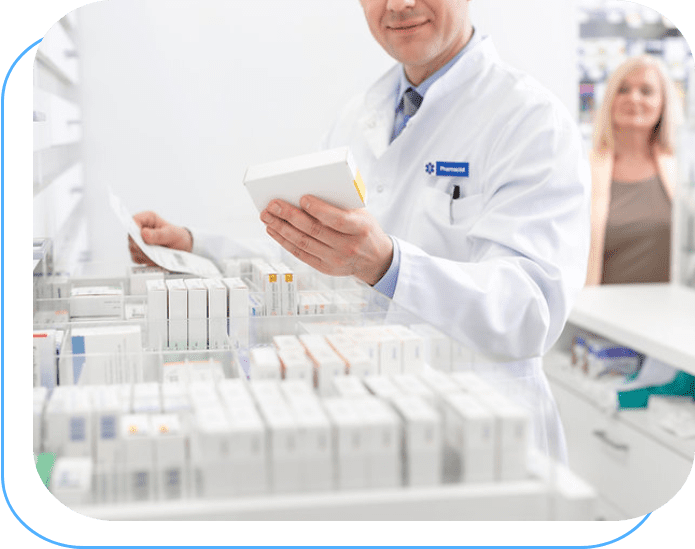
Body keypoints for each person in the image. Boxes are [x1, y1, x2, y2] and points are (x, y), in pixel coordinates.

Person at [131, 0, 591, 460]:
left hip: (486, 438)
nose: (399, 5)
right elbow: (313, 262)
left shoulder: (530, 121)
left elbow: (530, 310)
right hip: (365, 425)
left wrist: (387, 265)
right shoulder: (359, 115)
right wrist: (194, 248)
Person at [586, 55, 683, 285]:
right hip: (598, 315)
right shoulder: (583, 170)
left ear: (663, 103)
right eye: (623, 89)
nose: (633, 98)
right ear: (610, 98)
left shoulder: (682, 169)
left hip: (672, 313)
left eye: (646, 91)